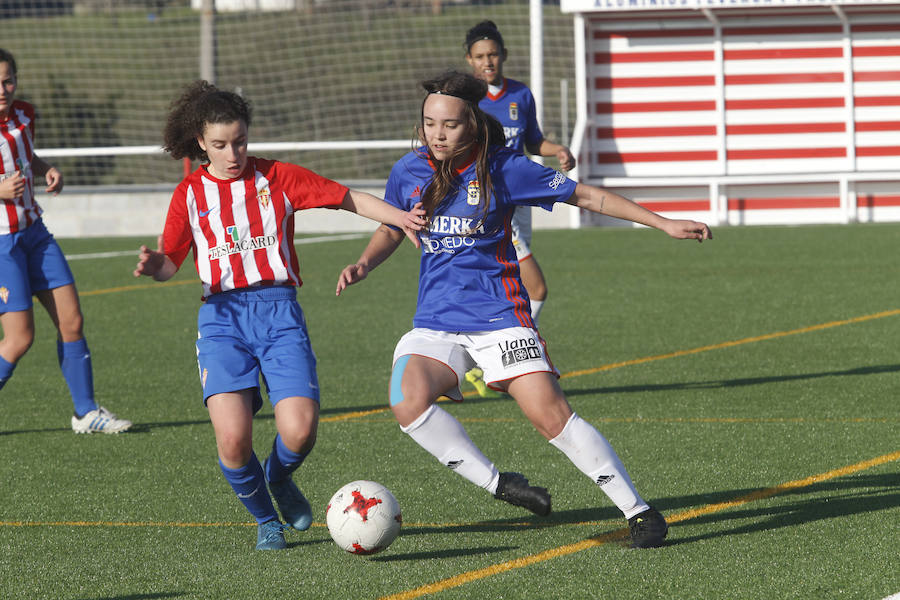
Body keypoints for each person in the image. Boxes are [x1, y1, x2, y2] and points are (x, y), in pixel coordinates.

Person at [335, 71, 711, 548]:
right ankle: (500, 484)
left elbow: (587, 195)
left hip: (499, 317)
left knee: (551, 417)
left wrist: (661, 223)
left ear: (472, 123)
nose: (437, 133)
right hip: (436, 321)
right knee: (406, 402)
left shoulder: (506, 168)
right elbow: (392, 227)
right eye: (429, 123)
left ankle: (638, 512)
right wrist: (364, 264)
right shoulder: (408, 170)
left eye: (448, 124)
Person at [133, 81, 425, 551]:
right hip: (222, 320)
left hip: (278, 312)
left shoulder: (278, 178)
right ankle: (267, 519)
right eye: (221, 145)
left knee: (300, 430)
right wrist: (154, 267)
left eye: (241, 141)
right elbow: (171, 262)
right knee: (232, 440)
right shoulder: (188, 194)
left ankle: (279, 477)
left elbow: (347, 197)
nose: (234, 153)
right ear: (200, 143)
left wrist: (399, 216)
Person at [0, 48, 131, 434]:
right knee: (20, 338)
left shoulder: (25, 114)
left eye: (8, 80)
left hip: (34, 233)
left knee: (72, 321)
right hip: (2, 242)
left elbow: (26, 158)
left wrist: (47, 170)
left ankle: (86, 412)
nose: (2, 89)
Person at [462, 20, 576, 397]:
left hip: (520, 198)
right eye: (480, 56)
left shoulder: (521, 96)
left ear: (503, 55)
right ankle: (516, 362)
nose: (487, 62)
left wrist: (556, 150)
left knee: (507, 290)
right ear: (469, 60)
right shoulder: (466, 102)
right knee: (536, 287)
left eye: (492, 54)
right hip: (491, 205)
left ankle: (488, 364)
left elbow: (532, 142)